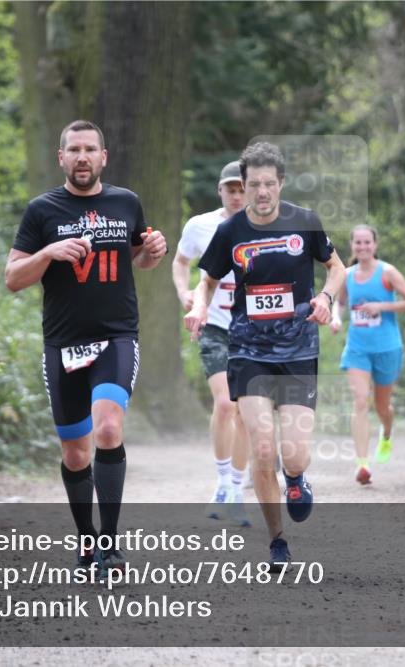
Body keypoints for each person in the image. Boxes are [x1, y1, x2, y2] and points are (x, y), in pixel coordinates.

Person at [4, 120, 168, 573]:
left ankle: (111, 546)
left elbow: (140, 256)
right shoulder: (42, 211)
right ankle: (87, 540)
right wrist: (47, 254)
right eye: (73, 149)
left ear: (103, 157)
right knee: (76, 453)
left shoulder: (125, 202)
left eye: (89, 149)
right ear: (61, 158)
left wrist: (152, 250)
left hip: (116, 336)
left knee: (109, 429)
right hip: (63, 344)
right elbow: (13, 278)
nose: (81, 157)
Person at [184, 142, 346, 570]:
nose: (260, 192)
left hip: (297, 348)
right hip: (248, 349)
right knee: (260, 449)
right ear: (244, 184)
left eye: (268, 184)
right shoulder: (230, 231)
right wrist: (200, 305)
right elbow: (208, 279)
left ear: (281, 183)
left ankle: (295, 478)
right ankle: (277, 541)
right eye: (252, 184)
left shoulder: (304, 222)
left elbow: (337, 267)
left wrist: (327, 298)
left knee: (293, 454)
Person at [172, 161, 251, 525]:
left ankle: (238, 487)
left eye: (241, 189)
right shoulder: (200, 225)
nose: (236, 196)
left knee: (245, 412)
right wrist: (184, 292)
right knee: (224, 405)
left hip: (254, 330)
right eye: (230, 190)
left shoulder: (264, 226)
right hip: (215, 326)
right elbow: (181, 260)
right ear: (220, 191)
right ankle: (221, 483)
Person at [330, 224, 405, 485]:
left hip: (387, 347)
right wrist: (336, 318)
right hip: (357, 347)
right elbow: (342, 302)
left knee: (382, 407)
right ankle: (362, 464)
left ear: (375, 245)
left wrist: (382, 305)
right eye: (358, 243)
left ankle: (387, 432)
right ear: (352, 246)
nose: (362, 247)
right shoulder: (346, 274)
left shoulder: (387, 272)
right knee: (360, 400)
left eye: (367, 242)